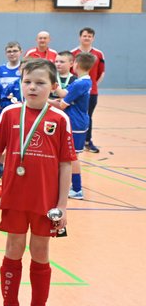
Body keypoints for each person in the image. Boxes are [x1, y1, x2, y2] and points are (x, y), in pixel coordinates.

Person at [0, 59, 75, 306]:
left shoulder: (60, 119)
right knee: (14, 248)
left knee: (41, 252)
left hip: (46, 201)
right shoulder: (10, 114)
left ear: (53, 86)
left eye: (40, 83)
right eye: (27, 82)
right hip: (14, 197)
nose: (32, 87)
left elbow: (65, 164)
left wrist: (62, 205)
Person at [50, 52, 94, 200]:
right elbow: (64, 94)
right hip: (75, 121)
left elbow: (62, 104)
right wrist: (55, 87)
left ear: (76, 64)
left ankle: (77, 188)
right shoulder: (83, 81)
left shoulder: (80, 83)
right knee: (68, 155)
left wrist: (44, 101)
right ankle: (71, 186)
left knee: (73, 156)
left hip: (76, 123)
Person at [71, 27, 105, 153]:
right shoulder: (73, 53)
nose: (87, 38)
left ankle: (87, 141)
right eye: (84, 36)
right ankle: (71, 140)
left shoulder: (98, 54)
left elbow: (101, 72)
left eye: (89, 36)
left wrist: (92, 86)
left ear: (93, 38)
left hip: (92, 93)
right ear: (80, 37)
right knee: (73, 116)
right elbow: (70, 73)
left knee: (88, 116)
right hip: (75, 92)